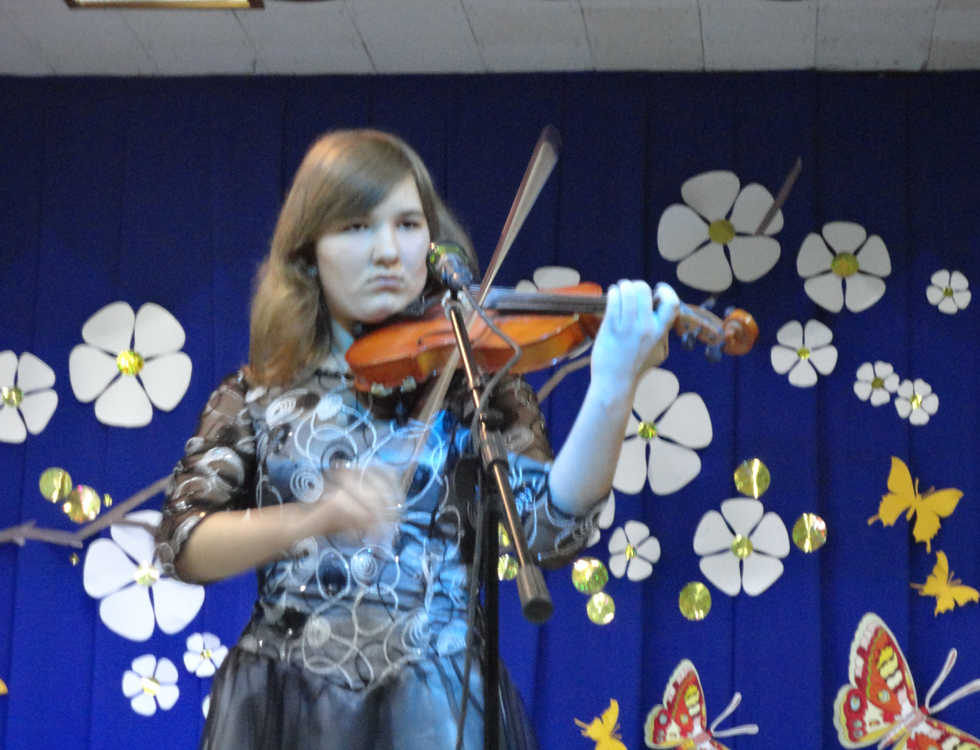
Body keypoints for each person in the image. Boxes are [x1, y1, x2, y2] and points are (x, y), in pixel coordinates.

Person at [154, 129, 679, 750]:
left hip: (437, 709)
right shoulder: (255, 394)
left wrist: (613, 389)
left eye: (407, 225)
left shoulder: (474, 377)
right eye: (356, 227)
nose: (388, 251)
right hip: (288, 706)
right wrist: (312, 517)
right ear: (308, 251)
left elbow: (549, 532)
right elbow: (183, 544)